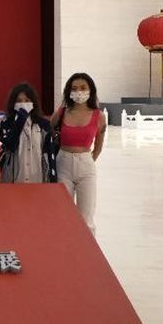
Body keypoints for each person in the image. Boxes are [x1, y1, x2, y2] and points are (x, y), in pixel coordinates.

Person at [51, 72, 106, 234]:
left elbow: (98, 146)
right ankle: (65, 245)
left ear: (90, 90)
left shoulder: (99, 116)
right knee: (63, 212)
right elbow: (48, 132)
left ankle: (87, 247)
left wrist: (87, 161)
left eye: (83, 88)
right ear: (69, 91)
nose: (79, 92)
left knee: (86, 216)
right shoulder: (61, 112)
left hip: (86, 165)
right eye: (74, 88)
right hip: (63, 163)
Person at [0, 82, 57, 183]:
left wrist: (53, 177)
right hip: (15, 179)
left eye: (27, 100)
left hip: (37, 178)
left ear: (33, 102)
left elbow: (50, 152)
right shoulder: (6, 123)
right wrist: (20, 119)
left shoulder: (43, 124)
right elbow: (10, 145)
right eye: (19, 101)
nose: (23, 103)